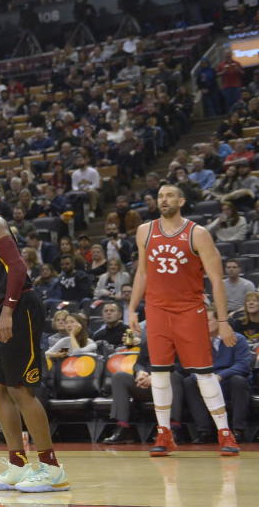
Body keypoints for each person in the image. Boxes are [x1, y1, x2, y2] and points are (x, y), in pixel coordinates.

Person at [0, 172, 70, 493]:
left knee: (20, 389)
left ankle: (52, 468)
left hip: (19, 306)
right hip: (0, 308)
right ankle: (18, 464)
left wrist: (7, 310)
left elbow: (19, 267)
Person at [128, 183, 241, 456]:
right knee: (160, 373)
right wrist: (132, 308)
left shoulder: (198, 234)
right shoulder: (145, 230)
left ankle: (225, 433)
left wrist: (223, 321)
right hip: (156, 310)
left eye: (169, 196)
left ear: (181, 201)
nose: (163, 200)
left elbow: (216, 280)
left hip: (190, 311)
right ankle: (164, 433)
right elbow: (142, 273)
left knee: (203, 373)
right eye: (160, 196)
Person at [181, 307, 253, 444]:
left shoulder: (238, 339)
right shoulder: (199, 342)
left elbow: (243, 365)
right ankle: (204, 431)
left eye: (207, 320)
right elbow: (192, 366)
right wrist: (203, 378)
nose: (203, 324)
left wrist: (220, 376)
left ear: (219, 322)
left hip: (228, 381)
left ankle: (238, 430)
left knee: (238, 381)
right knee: (190, 381)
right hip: (207, 380)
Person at [103, 333, 184, 445]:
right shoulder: (149, 339)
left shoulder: (179, 339)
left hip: (169, 384)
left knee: (173, 376)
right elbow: (139, 363)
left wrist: (156, 377)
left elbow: (182, 367)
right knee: (119, 377)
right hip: (147, 384)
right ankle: (123, 428)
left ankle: (173, 428)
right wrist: (140, 372)